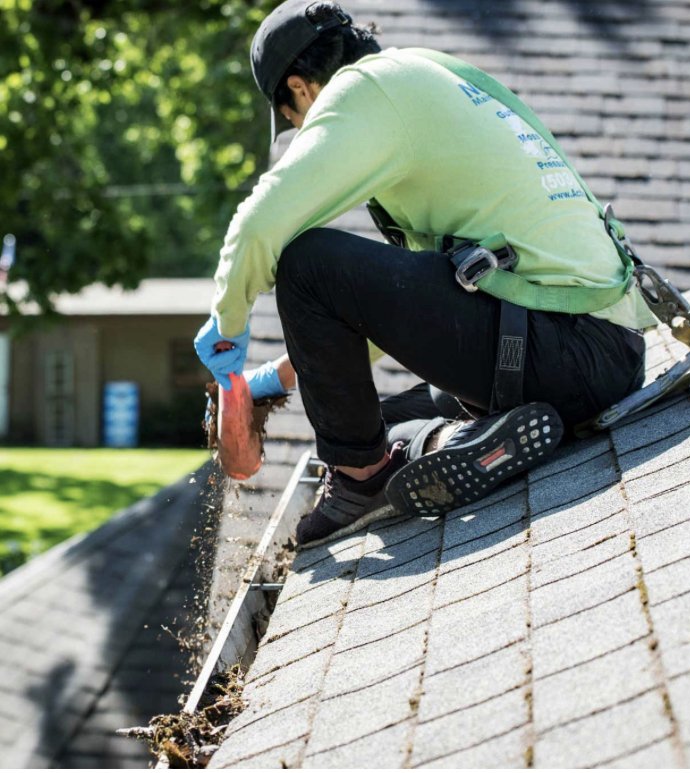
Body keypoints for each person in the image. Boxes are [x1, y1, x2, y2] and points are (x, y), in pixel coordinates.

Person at [194, 0, 656, 549]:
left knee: (307, 263)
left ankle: (363, 480)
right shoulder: (430, 74)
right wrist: (276, 380)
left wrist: (228, 330)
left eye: (292, 121)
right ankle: (449, 441)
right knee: (371, 420)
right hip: (605, 353)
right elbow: (409, 313)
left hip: (559, 349)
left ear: (299, 87)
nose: (300, 131)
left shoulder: (364, 93)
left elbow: (259, 226)